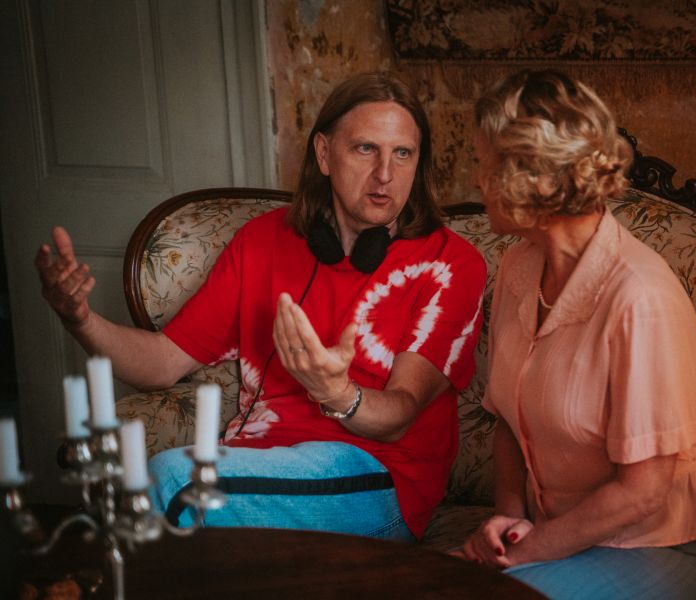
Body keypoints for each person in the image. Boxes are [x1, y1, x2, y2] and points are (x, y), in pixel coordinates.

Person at [35, 71, 487, 542]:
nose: (385, 174)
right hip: (256, 463)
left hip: (378, 478)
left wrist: (336, 393)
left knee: (174, 481)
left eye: (403, 153)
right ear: (324, 153)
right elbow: (162, 363)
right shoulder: (262, 240)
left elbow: (399, 417)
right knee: (168, 492)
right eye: (365, 148)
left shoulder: (450, 263)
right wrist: (80, 319)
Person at [459, 70, 696, 598]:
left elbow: (642, 493)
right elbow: (509, 423)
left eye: (483, 163)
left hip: (664, 544)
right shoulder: (518, 267)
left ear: (532, 178)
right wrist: (507, 522)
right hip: (557, 535)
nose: (475, 180)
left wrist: (520, 556)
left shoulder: (640, 298)